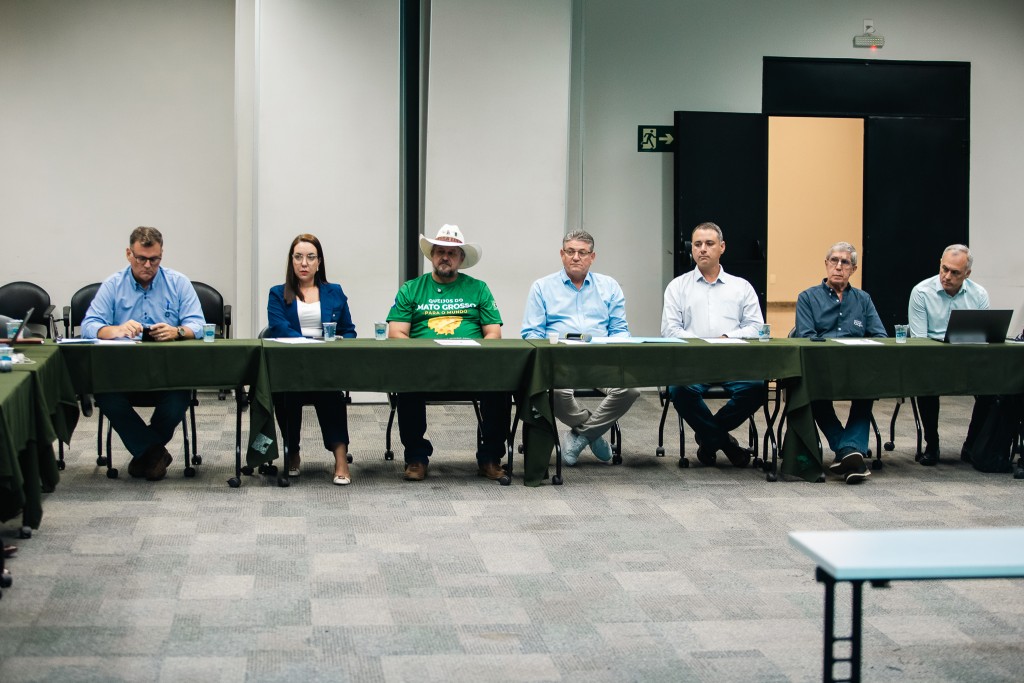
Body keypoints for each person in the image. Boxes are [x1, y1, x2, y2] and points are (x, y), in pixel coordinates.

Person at [386, 224, 510, 482]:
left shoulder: (479, 288)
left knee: (500, 387)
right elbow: (396, 333)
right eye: (440, 251)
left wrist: (479, 358)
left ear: (461, 259)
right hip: (423, 368)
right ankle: (416, 457)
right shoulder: (411, 289)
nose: (445, 257)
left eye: (452, 253)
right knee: (407, 383)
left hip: (472, 367)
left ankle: (490, 458)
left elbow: (493, 333)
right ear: (432, 256)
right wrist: (420, 357)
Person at [81, 226, 205, 481]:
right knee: (106, 396)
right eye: (141, 258)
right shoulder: (113, 285)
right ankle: (153, 453)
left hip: (168, 374)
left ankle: (145, 455)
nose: (148, 265)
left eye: (154, 259)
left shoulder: (178, 283)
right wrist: (115, 330)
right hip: (122, 374)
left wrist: (177, 331)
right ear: (129, 254)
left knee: (178, 401)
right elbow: (89, 326)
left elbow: (199, 325)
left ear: (161, 255)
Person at [521, 229, 640, 465]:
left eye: (582, 253)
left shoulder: (609, 286)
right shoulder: (542, 287)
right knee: (556, 393)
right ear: (562, 254)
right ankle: (592, 433)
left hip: (601, 360)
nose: (576, 257)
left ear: (592, 257)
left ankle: (582, 435)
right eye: (570, 252)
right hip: (560, 362)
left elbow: (620, 330)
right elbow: (531, 334)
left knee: (630, 389)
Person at [661, 222, 765, 468]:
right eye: (697, 244)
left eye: (709, 243)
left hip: (733, 361)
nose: (703, 249)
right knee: (679, 390)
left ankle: (708, 437)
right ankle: (725, 443)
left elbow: (756, 327)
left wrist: (728, 338)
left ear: (722, 247)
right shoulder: (678, 287)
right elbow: (669, 330)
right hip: (693, 363)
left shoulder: (741, 287)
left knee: (757, 388)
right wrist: (701, 344)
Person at [267, 233, 356, 485]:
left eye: (310, 257)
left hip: (326, 367)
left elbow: (348, 330)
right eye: (298, 257)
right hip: (291, 366)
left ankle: (340, 458)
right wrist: (312, 345)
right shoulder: (277, 293)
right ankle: (292, 451)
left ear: (319, 262)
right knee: (284, 394)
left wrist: (340, 343)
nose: (304, 263)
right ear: (291, 261)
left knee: (331, 394)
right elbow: (279, 328)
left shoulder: (334, 292)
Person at [795, 241, 886, 484]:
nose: (838, 266)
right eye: (834, 261)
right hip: (820, 369)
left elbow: (880, 336)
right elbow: (805, 336)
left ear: (853, 269)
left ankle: (847, 451)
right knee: (811, 392)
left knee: (867, 390)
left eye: (845, 262)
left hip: (856, 369)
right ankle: (850, 451)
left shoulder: (863, 299)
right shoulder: (807, 298)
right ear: (826, 264)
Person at [908, 244, 994, 466]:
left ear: (967, 274)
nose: (947, 276)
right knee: (926, 382)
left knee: (993, 387)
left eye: (955, 272)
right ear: (940, 264)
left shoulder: (979, 294)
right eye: (944, 269)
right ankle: (932, 445)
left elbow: (983, 337)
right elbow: (919, 341)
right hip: (932, 360)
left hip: (968, 360)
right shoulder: (921, 292)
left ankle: (971, 444)